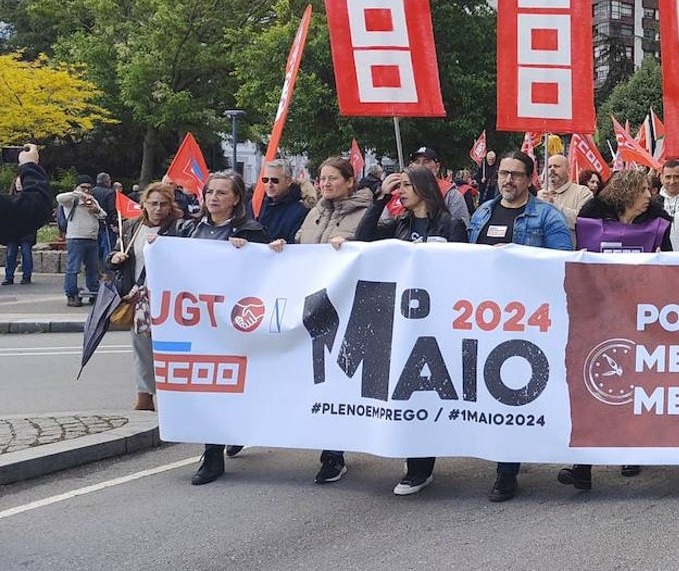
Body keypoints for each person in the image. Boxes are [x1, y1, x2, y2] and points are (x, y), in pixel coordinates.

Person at [353, 163, 469, 495]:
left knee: (426, 391)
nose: (399, 191)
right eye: (398, 186)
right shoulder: (398, 223)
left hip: (438, 321)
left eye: (405, 185)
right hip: (403, 320)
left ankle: (421, 466)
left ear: (423, 187)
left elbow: (463, 270)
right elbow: (363, 239)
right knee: (405, 391)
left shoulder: (451, 224)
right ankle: (416, 458)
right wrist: (378, 200)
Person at [558, 168, 671, 492]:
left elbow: (670, 261)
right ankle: (583, 467)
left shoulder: (657, 217)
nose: (650, 195)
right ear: (628, 192)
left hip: (638, 313)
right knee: (592, 385)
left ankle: (630, 449)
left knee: (632, 383)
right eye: (644, 191)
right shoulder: (592, 213)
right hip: (597, 312)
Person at [468, 150, 572, 501]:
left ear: (530, 179)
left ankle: (507, 471)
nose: (508, 180)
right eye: (503, 174)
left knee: (513, 390)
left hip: (527, 319)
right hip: (484, 317)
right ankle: (503, 459)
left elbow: (562, 264)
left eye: (515, 174)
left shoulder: (547, 217)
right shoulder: (483, 212)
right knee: (490, 391)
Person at [159, 171, 268, 486]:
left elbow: (269, 270)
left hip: (235, 323)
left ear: (236, 199)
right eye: (210, 193)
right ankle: (212, 455)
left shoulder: (251, 230)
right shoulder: (189, 229)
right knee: (208, 387)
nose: (215, 198)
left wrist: (250, 249)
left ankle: (236, 429)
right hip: (198, 322)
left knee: (238, 386)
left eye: (222, 193)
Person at [274, 156, 375, 484]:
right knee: (316, 379)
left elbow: (375, 251)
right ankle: (329, 448)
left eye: (333, 178)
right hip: (313, 307)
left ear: (350, 180)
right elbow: (302, 247)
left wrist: (352, 246)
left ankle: (334, 453)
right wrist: (282, 249)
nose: (326, 184)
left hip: (348, 308)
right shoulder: (315, 212)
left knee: (338, 381)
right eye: (322, 178)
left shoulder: (366, 211)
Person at [108, 181, 182, 411]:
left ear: (170, 206)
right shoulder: (133, 227)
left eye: (163, 204)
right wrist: (115, 258)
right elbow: (116, 254)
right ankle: (144, 394)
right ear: (144, 205)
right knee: (141, 347)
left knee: (170, 349)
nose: (158, 209)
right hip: (138, 297)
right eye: (153, 204)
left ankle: (173, 395)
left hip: (168, 297)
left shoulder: (179, 228)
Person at [57, 175, 107, 307]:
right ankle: (71, 294)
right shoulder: (71, 200)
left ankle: (94, 293)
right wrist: (78, 194)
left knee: (93, 268)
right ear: (77, 187)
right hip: (76, 238)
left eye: (89, 188)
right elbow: (59, 198)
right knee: (73, 268)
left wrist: (95, 210)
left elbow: (103, 214)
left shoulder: (93, 200)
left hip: (92, 238)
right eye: (83, 187)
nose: (86, 190)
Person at [537, 153, 594, 242]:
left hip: (570, 252)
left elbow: (583, 222)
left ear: (568, 170)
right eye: (549, 167)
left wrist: (554, 205)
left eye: (556, 166)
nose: (552, 169)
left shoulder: (583, 193)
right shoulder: (539, 195)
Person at [412, 146, 470, 225]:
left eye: (427, 161)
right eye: (417, 162)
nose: (421, 165)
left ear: (437, 166)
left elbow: (461, 229)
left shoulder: (451, 195)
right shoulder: (403, 192)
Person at [256, 159, 309, 244]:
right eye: (265, 180)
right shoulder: (255, 205)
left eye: (274, 180)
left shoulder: (301, 211)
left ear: (288, 181)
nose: (269, 185)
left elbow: (296, 243)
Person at [3, 179, 35, 285]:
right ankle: (9, 277)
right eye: (17, 183)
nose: (19, 185)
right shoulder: (9, 198)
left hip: (26, 231)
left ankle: (26, 276)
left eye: (21, 183)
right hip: (12, 231)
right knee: (10, 254)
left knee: (26, 254)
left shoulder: (30, 198)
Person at [91, 173, 118, 265]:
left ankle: (97, 268)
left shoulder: (92, 191)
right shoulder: (110, 192)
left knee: (96, 246)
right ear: (107, 182)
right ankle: (108, 268)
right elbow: (111, 209)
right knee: (108, 245)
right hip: (105, 222)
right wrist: (114, 223)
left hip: (93, 222)